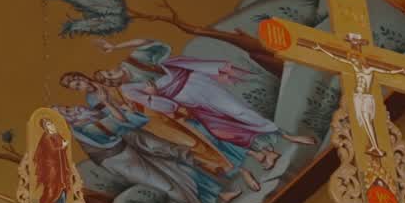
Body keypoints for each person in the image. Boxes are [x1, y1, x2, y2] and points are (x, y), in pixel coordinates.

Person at [96, 38, 315, 173]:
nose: (111, 78)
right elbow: (160, 106)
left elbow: (149, 42)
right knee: (220, 130)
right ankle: (266, 152)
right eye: (108, 80)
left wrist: (115, 45)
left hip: (195, 82)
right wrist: (155, 95)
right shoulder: (128, 89)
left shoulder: (133, 61)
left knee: (236, 110)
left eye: (109, 73)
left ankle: (286, 136)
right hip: (183, 100)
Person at [58, 73, 233, 203]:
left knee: (179, 156)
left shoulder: (94, 97)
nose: (71, 109)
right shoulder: (86, 117)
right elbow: (118, 124)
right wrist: (112, 105)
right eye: (76, 86)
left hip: (137, 130)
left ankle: (219, 191)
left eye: (66, 108)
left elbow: (131, 98)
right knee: (168, 182)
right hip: (123, 152)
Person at [309, 33, 405, 157]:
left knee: (367, 121)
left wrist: (402, 71)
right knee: (363, 122)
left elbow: (388, 71)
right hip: (358, 97)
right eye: (354, 58)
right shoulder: (356, 67)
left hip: (366, 98)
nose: (355, 60)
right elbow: (337, 57)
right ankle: (374, 146)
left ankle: (375, 146)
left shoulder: (370, 70)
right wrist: (321, 49)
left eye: (357, 58)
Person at [32, 118, 73, 203]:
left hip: (60, 170)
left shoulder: (57, 136)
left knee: (62, 192)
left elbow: (62, 149)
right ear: (45, 127)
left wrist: (63, 147)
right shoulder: (46, 138)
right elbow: (51, 150)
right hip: (50, 169)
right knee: (50, 191)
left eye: (52, 123)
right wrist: (62, 147)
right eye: (49, 124)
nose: (52, 125)